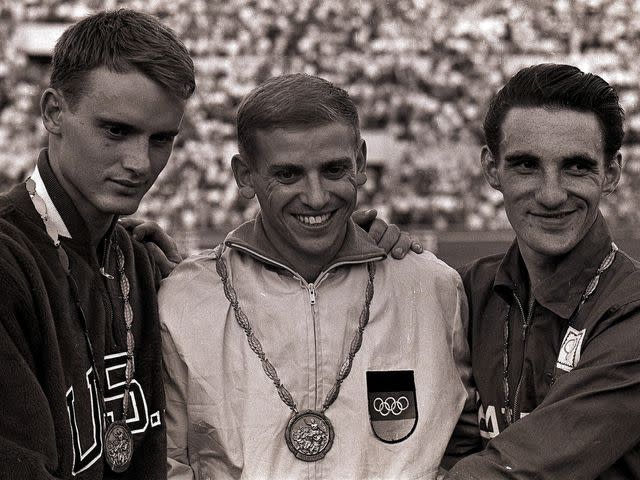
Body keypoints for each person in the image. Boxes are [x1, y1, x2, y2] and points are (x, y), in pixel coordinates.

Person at [160, 73, 475, 479]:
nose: (316, 196)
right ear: (244, 175)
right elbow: (167, 461)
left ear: (359, 162)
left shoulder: (433, 287)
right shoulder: (183, 297)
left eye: (333, 170)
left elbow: (465, 444)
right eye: (288, 175)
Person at [0, 9, 195, 479]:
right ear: (53, 113)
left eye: (161, 139)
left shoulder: (141, 261)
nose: (140, 163)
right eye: (116, 130)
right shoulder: (9, 262)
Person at [445, 64, 640, 479]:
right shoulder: (466, 289)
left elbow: (519, 472)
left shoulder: (633, 309)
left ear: (611, 173)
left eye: (576, 167)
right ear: (491, 168)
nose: (551, 194)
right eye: (526, 166)